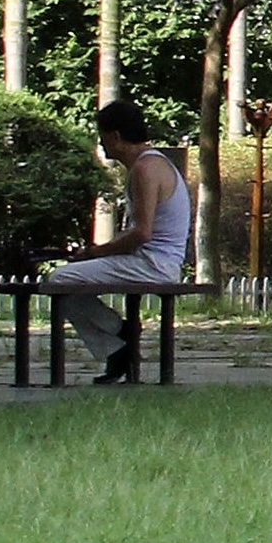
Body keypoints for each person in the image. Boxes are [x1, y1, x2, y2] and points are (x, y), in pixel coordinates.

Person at [50, 98, 192, 384]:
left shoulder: (145, 168)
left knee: (59, 281)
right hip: (154, 260)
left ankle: (119, 333)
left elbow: (142, 234)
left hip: (155, 264)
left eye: (102, 136)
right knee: (64, 282)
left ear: (115, 135)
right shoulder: (151, 164)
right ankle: (117, 344)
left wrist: (94, 253)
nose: (100, 144)